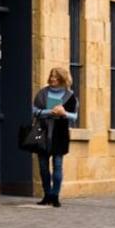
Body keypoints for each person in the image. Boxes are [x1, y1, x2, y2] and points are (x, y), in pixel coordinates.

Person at [30, 67, 77, 207]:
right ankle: (47, 195)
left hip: (60, 133)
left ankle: (55, 196)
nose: (52, 79)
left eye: (56, 77)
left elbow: (74, 116)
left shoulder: (70, 96)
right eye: (51, 76)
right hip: (42, 131)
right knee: (43, 167)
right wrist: (49, 112)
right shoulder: (42, 93)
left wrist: (64, 113)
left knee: (57, 165)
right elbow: (34, 111)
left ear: (62, 79)